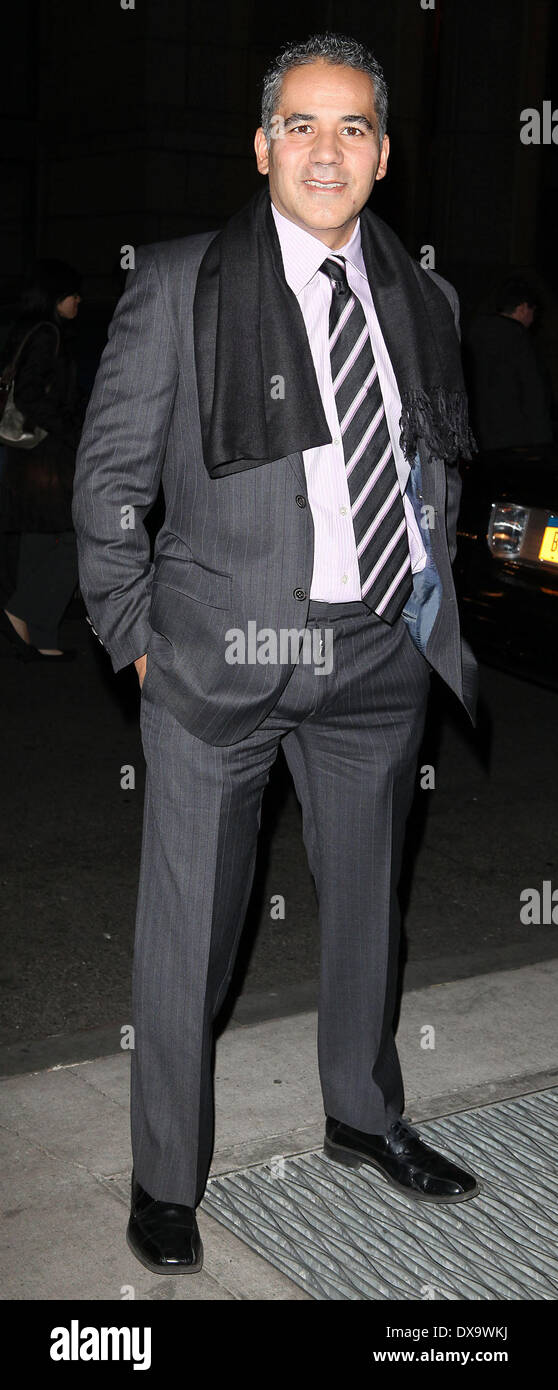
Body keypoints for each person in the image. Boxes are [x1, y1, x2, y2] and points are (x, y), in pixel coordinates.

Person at [73, 31, 480, 1277]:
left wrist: (421, 600)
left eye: (351, 126)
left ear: (384, 154)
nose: (325, 148)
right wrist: (139, 643)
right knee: (190, 929)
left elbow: (433, 464)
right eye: (299, 124)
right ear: (261, 147)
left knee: (370, 907)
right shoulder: (185, 284)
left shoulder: (426, 296)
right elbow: (106, 490)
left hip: (373, 659)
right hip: (220, 663)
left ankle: (364, 1114)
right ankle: (163, 1179)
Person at [0, 258, 84, 660]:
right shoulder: (47, 334)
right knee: (73, 538)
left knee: (38, 538)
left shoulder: (27, 329)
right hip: (45, 454)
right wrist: (72, 431)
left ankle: (39, 636)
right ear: (56, 298)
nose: (78, 301)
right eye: (72, 294)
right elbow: (32, 395)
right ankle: (22, 611)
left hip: (25, 454)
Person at [466, 276, 553, 451]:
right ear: (522, 308)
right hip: (516, 441)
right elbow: (533, 393)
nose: (532, 319)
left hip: (477, 437)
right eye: (532, 311)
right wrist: (543, 443)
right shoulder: (518, 338)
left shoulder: (472, 333)